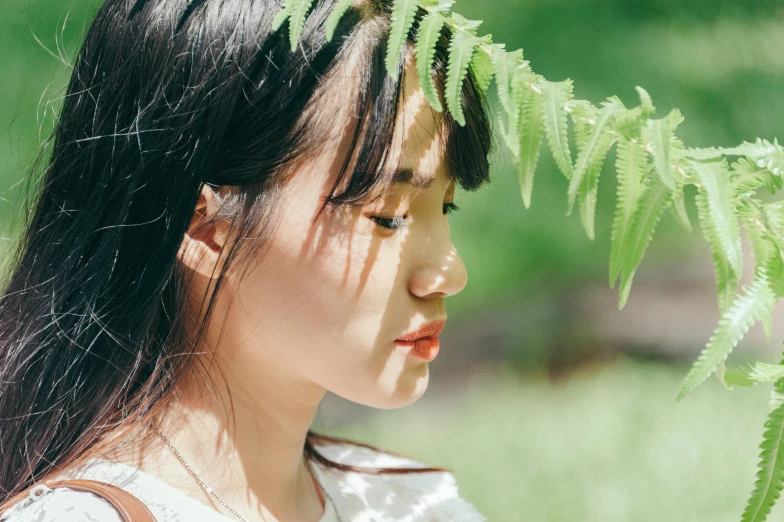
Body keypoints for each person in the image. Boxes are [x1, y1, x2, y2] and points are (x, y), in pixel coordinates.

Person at [0, 0, 493, 520]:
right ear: (206, 229)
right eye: (387, 217)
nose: (450, 273)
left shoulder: (416, 506)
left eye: (446, 206)